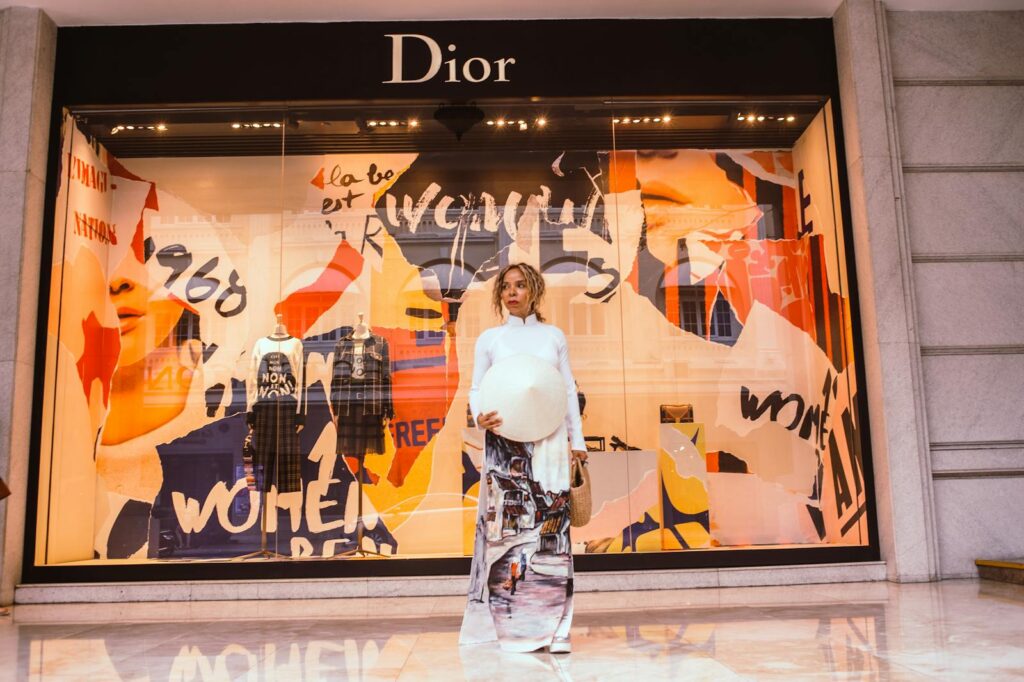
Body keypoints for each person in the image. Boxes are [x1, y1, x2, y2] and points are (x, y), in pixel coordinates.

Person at [459, 262, 587, 654]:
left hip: (548, 441)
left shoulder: (552, 337)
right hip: (504, 442)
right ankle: (506, 625)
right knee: (502, 536)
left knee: (555, 534)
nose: (512, 292)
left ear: (533, 291)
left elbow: (566, 391)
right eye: (506, 287)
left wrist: (576, 441)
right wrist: (479, 415)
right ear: (499, 295)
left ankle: (558, 628)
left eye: (520, 286)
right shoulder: (491, 339)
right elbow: (477, 386)